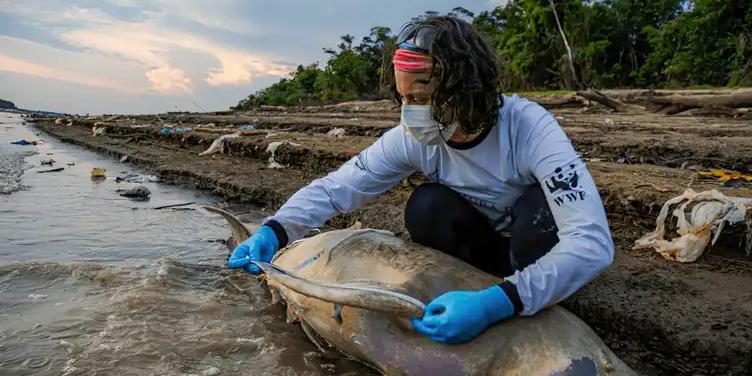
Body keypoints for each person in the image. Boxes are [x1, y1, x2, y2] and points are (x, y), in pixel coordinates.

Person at [227, 16, 614, 345]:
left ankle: (522, 294)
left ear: (467, 89)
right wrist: (275, 230)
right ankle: (477, 291)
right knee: (427, 206)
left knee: (539, 210)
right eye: (404, 100)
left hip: (531, 246)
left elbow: (592, 243)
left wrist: (498, 302)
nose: (412, 113)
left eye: (425, 98)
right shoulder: (414, 139)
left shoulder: (529, 129)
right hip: (482, 250)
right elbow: (338, 187)